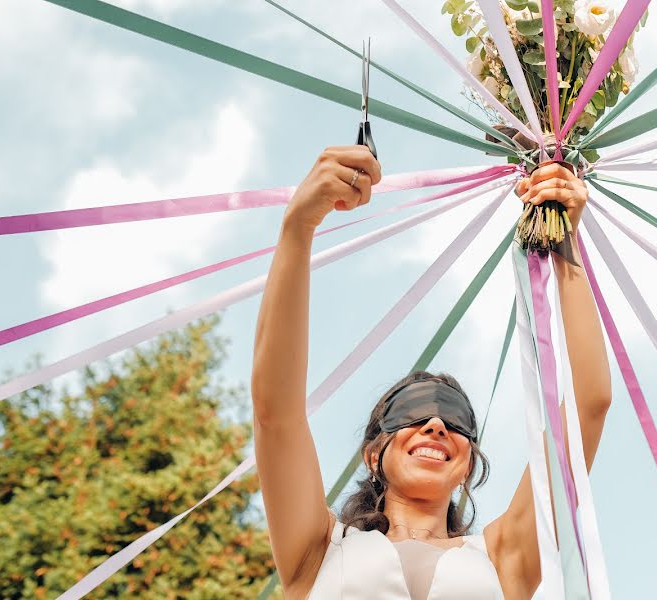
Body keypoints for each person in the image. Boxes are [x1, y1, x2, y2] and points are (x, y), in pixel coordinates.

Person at [251, 146, 611, 599]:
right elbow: (275, 415)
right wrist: (298, 227)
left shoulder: (504, 558)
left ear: (467, 466)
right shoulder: (320, 548)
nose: (437, 424)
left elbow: (588, 404)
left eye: (457, 423)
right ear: (372, 454)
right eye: (411, 416)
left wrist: (564, 243)